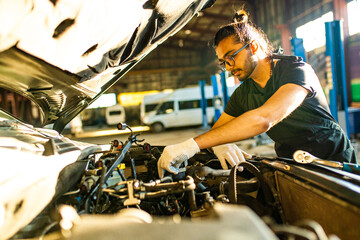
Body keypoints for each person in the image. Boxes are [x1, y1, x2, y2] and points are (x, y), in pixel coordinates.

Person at [157, 9, 357, 178]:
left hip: (332, 161)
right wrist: (218, 145)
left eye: (231, 58)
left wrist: (192, 145)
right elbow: (217, 131)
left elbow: (265, 118)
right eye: (223, 62)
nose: (228, 67)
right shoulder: (244, 93)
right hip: (291, 165)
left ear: (253, 46)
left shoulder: (296, 70)